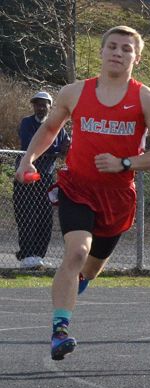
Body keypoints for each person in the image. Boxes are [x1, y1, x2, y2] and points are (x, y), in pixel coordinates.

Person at [15, 25, 150, 361]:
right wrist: (28, 158)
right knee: (75, 253)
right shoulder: (74, 92)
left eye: (126, 49)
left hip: (116, 198)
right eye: (112, 46)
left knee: (90, 267)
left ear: (137, 58)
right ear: (101, 52)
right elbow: (49, 128)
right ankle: (60, 331)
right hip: (76, 187)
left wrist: (124, 162)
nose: (118, 52)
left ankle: (75, 283)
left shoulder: (146, 99)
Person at [13, 91, 69, 268]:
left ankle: (38, 255)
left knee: (44, 217)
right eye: (37, 104)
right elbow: (33, 144)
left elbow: (65, 146)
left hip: (45, 177)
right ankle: (27, 255)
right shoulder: (27, 123)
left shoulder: (58, 127)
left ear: (50, 106)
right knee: (26, 215)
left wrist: (64, 148)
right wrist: (55, 149)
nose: (40, 107)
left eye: (43, 104)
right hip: (26, 177)